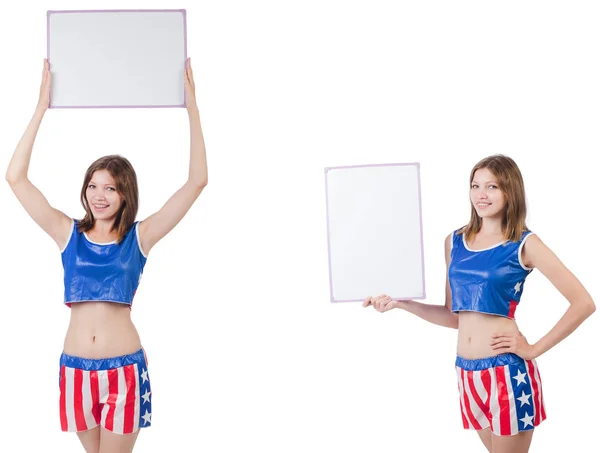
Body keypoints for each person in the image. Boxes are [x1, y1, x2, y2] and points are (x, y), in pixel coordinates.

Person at [5, 57, 207, 453]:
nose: (99, 195)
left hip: (123, 370)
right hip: (75, 370)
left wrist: (193, 108)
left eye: (111, 188)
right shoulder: (67, 234)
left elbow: (197, 181)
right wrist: (40, 108)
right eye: (94, 186)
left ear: (125, 194)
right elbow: (15, 177)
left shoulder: (140, 237)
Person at [363, 155, 595, 453]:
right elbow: (452, 316)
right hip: (466, 372)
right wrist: (401, 304)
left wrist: (533, 349)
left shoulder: (524, 243)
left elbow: (583, 303)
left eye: (492, 186)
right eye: (475, 186)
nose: (481, 195)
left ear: (510, 191)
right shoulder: (454, 241)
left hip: (507, 372)